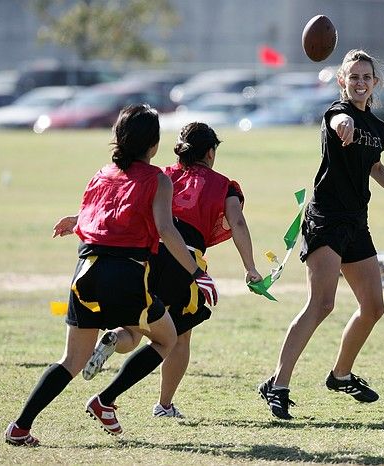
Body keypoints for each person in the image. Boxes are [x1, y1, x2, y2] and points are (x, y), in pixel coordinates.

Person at [3, 104, 218, 446]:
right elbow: (166, 229)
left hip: (85, 274)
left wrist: (75, 220)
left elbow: (102, 214)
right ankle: (105, 400)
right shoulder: (158, 179)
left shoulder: (102, 173)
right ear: (154, 144)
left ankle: (20, 426)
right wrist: (196, 273)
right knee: (167, 338)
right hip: (127, 275)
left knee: (71, 361)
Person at [258, 49, 384, 420]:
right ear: (342, 82)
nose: (360, 82)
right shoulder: (337, 112)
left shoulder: (379, 129)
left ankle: (341, 375)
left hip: (355, 222)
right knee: (321, 304)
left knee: (374, 307)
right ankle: (278, 384)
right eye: (353, 77)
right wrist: (343, 125)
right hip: (326, 219)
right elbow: (339, 122)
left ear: (375, 83)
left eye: (366, 77)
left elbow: (375, 166)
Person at [79, 121, 262, 418]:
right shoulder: (223, 185)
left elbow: (124, 205)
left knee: (135, 329)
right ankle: (164, 405)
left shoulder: (160, 175)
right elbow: (237, 223)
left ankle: (115, 337)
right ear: (211, 153)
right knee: (178, 337)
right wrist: (250, 267)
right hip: (184, 262)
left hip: (147, 257)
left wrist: (77, 219)